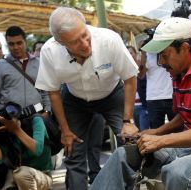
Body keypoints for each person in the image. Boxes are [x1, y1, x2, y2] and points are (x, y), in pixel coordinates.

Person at [90, 17, 191, 190]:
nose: (161, 63)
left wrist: (162, 140)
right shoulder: (178, 74)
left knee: (177, 173)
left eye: (165, 55)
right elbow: (184, 116)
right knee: (123, 155)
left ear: (184, 48)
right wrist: (157, 132)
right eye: (159, 56)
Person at [35, 7, 139, 189]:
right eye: (75, 42)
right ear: (61, 43)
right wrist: (65, 131)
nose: (84, 44)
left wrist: (128, 120)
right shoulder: (50, 51)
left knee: (131, 143)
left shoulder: (109, 39)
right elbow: (53, 92)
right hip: (75, 100)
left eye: (85, 34)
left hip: (112, 94)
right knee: (73, 153)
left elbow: (130, 78)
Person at [0, 26, 51, 115]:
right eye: (11, 44)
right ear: (7, 44)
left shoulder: (39, 63)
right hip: (11, 119)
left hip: (38, 115)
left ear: (25, 42)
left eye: (19, 43)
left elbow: (45, 91)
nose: (16, 47)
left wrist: (47, 111)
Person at [0, 114, 53, 190]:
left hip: (42, 175)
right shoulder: (3, 133)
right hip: (13, 178)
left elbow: (37, 150)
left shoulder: (35, 121)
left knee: (22, 174)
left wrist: (16, 129)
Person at [139, 41, 175, 129]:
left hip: (171, 96)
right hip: (153, 98)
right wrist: (143, 54)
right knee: (156, 131)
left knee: (177, 129)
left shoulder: (169, 50)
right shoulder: (148, 54)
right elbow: (141, 75)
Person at [127, 45, 149, 131]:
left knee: (144, 131)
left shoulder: (141, 65)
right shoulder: (125, 69)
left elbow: (144, 78)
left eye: (131, 53)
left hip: (143, 105)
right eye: (127, 54)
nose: (129, 55)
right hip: (132, 107)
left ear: (135, 54)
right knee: (136, 133)